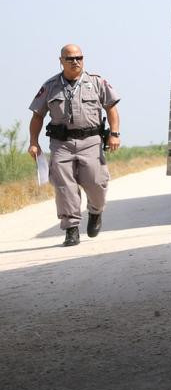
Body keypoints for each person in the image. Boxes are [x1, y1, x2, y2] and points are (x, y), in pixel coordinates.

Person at [27, 44, 121, 247]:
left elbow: (111, 108)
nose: (75, 61)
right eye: (70, 58)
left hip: (91, 141)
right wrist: (34, 142)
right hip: (61, 144)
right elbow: (37, 116)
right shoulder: (50, 86)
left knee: (96, 182)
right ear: (61, 61)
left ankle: (95, 212)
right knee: (64, 186)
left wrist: (114, 134)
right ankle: (71, 228)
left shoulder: (96, 82)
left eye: (79, 57)